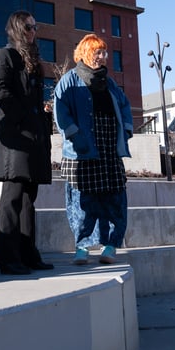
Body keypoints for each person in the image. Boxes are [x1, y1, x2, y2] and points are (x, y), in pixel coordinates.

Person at [54, 33, 133, 265]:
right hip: (82, 149)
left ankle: (110, 245)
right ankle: (82, 246)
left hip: (108, 147)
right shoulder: (69, 80)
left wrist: (126, 130)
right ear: (86, 53)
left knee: (114, 197)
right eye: (98, 52)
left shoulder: (110, 83)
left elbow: (124, 105)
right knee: (82, 200)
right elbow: (61, 110)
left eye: (104, 52)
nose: (103, 56)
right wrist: (74, 134)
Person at [0, 10, 54, 275]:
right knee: (13, 196)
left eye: (35, 26)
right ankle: (7, 258)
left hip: (34, 138)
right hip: (15, 139)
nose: (33, 31)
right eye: (28, 27)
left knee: (28, 198)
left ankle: (28, 254)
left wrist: (41, 122)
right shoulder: (4, 55)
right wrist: (24, 119)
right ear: (17, 28)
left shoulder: (32, 61)